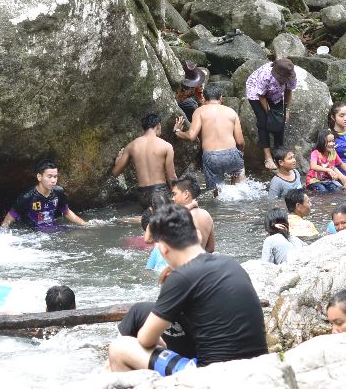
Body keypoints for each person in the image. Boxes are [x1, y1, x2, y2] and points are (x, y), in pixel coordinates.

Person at [104, 202, 268, 374]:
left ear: (163, 248)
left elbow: (145, 340)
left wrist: (159, 343)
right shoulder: (231, 264)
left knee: (119, 348)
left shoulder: (180, 277)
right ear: (198, 235)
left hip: (214, 375)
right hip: (259, 368)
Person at [173, 84, 245, 192]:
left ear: (204, 98)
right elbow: (240, 141)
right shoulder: (231, 112)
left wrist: (177, 131)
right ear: (221, 98)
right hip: (232, 154)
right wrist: (240, 153)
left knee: (216, 192)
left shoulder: (200, 111)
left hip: (212, 157)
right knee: (239, 184)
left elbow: (191, 136)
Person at [113, 113, 178, 205]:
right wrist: (178, 199)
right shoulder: (166, 146)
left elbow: (115, 172)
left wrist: (117, 163)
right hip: (159, 194)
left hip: (142, 196)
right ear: (158, 125)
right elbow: (172, 177)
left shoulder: (131, 146)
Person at [244, 58, 297, 170]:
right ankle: (268, 157)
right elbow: (261, 96)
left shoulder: (291, 75)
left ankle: (279, 154)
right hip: (256, 93)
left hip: (275, 93)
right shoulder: (266, 76)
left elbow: (288, 91)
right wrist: (269, 113)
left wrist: (286, 110)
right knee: (263, 122)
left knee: (280, 120)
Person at [3, 161, 87, 230]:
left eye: (55, 177)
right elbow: (9, 219)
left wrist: (85, 224)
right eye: (49, 177)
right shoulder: (27, 197)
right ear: (39, 177)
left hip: (52, 229)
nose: (53, 180)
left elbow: (66, 212)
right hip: (32, 233)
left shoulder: (59, 192)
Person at [167, 175, 217, 252]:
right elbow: (211, 249)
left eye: (174, 194)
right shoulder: (206, 215)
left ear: (186, 194)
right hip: (201, 259)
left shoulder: (178, 216)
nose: (172, 198)